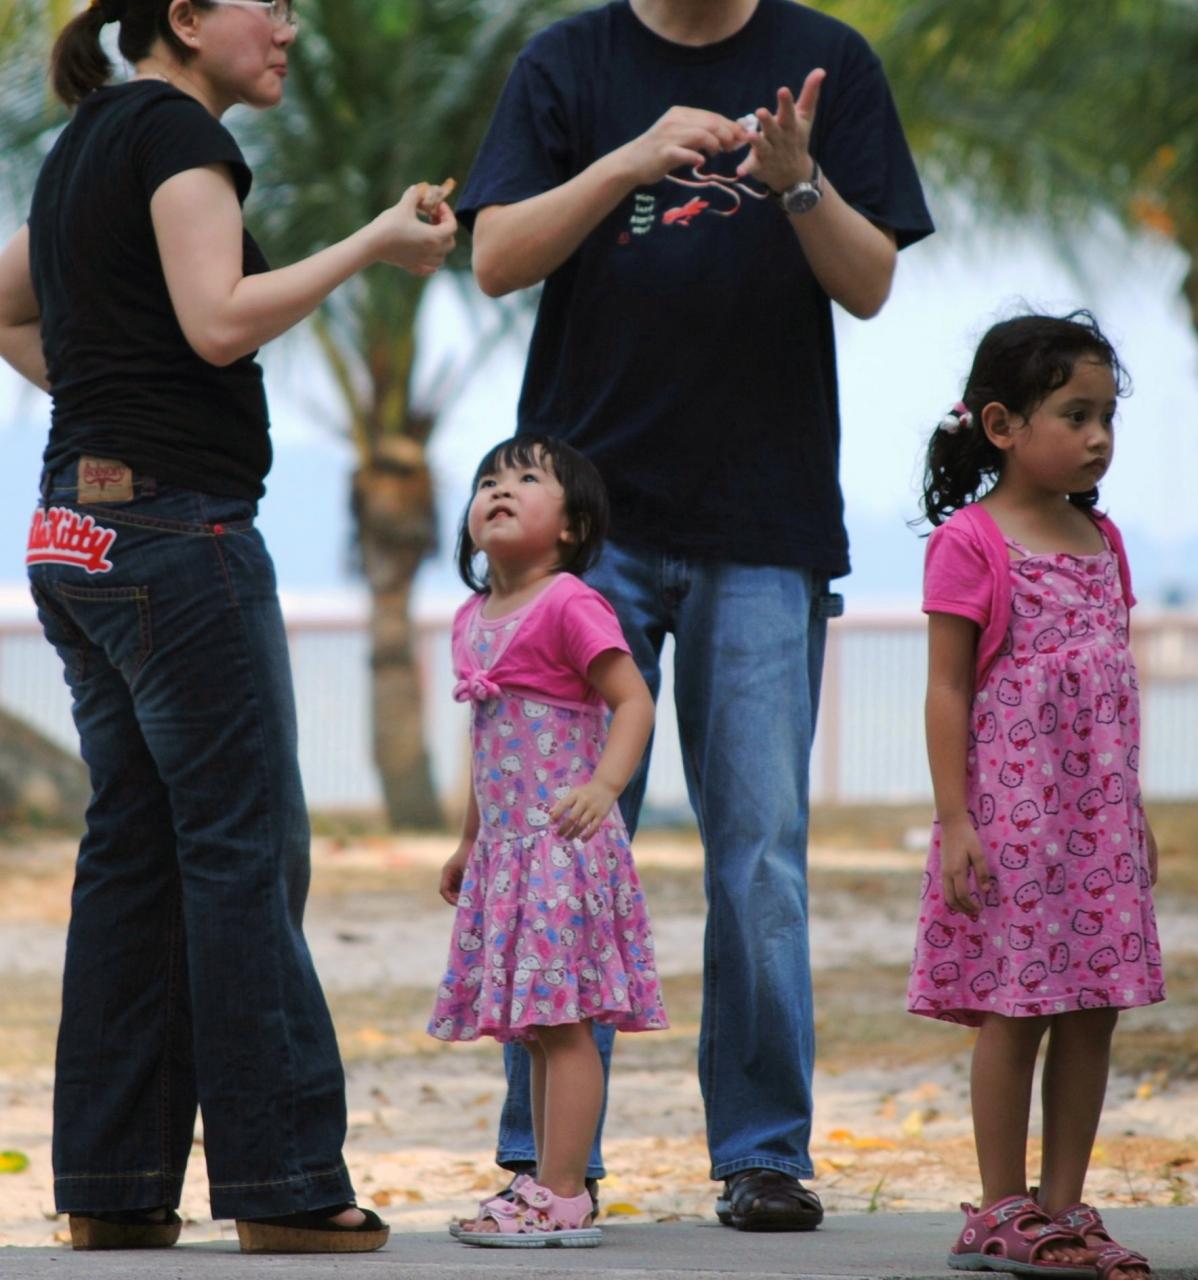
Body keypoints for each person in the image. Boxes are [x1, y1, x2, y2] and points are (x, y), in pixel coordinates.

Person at [454, 0, 933, 1232]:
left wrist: (798, 182)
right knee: (550, 847)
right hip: (583, 535)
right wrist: (626, 159)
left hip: (763, 520)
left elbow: (870, 284)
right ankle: (546, 1165)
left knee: (760, 857)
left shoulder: (828, 60)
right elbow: (495, 256)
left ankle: (763, 1153)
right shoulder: (567, 62)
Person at [0, 0, 456, 1254]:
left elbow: (6, 303)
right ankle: (285, 1183)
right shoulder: (178, 136)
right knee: (243, 851)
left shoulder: (86, 141)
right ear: (189, 17)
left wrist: (111, 387)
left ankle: (113, 1184)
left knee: (134, 858)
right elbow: (217, 320)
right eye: (271, 3)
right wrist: (372, 241)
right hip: (176, 538)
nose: (292, 28)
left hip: (76, 533)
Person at [909, 312, 1161, 1280]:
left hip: (1096, 825)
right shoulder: (969, 542)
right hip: (1012, 822)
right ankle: (999, 1206)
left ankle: (1063, 1205)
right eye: (1075, 414)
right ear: (1003, 425)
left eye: (1106, 417)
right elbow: (947, 689)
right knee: (1014, 1009)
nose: (1098, 436)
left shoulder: (1104, 540)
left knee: (1093, 1008)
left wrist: (1133, 812)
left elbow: (1113, 690)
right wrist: (955, 818)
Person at [429, 434, 667, 1248]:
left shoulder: (570, 602)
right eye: (487, 481)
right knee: (537, 1028)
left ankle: (564, 1194)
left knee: (564, 1027)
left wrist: (605, 787)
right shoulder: (470, 619)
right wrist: (471, 841)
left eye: (527, 479)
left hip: (561, 854)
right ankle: (544, 1181)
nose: (500, 490)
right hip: (510, 855)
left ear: (572, 527)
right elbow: (485, 745)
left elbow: (633, 700)